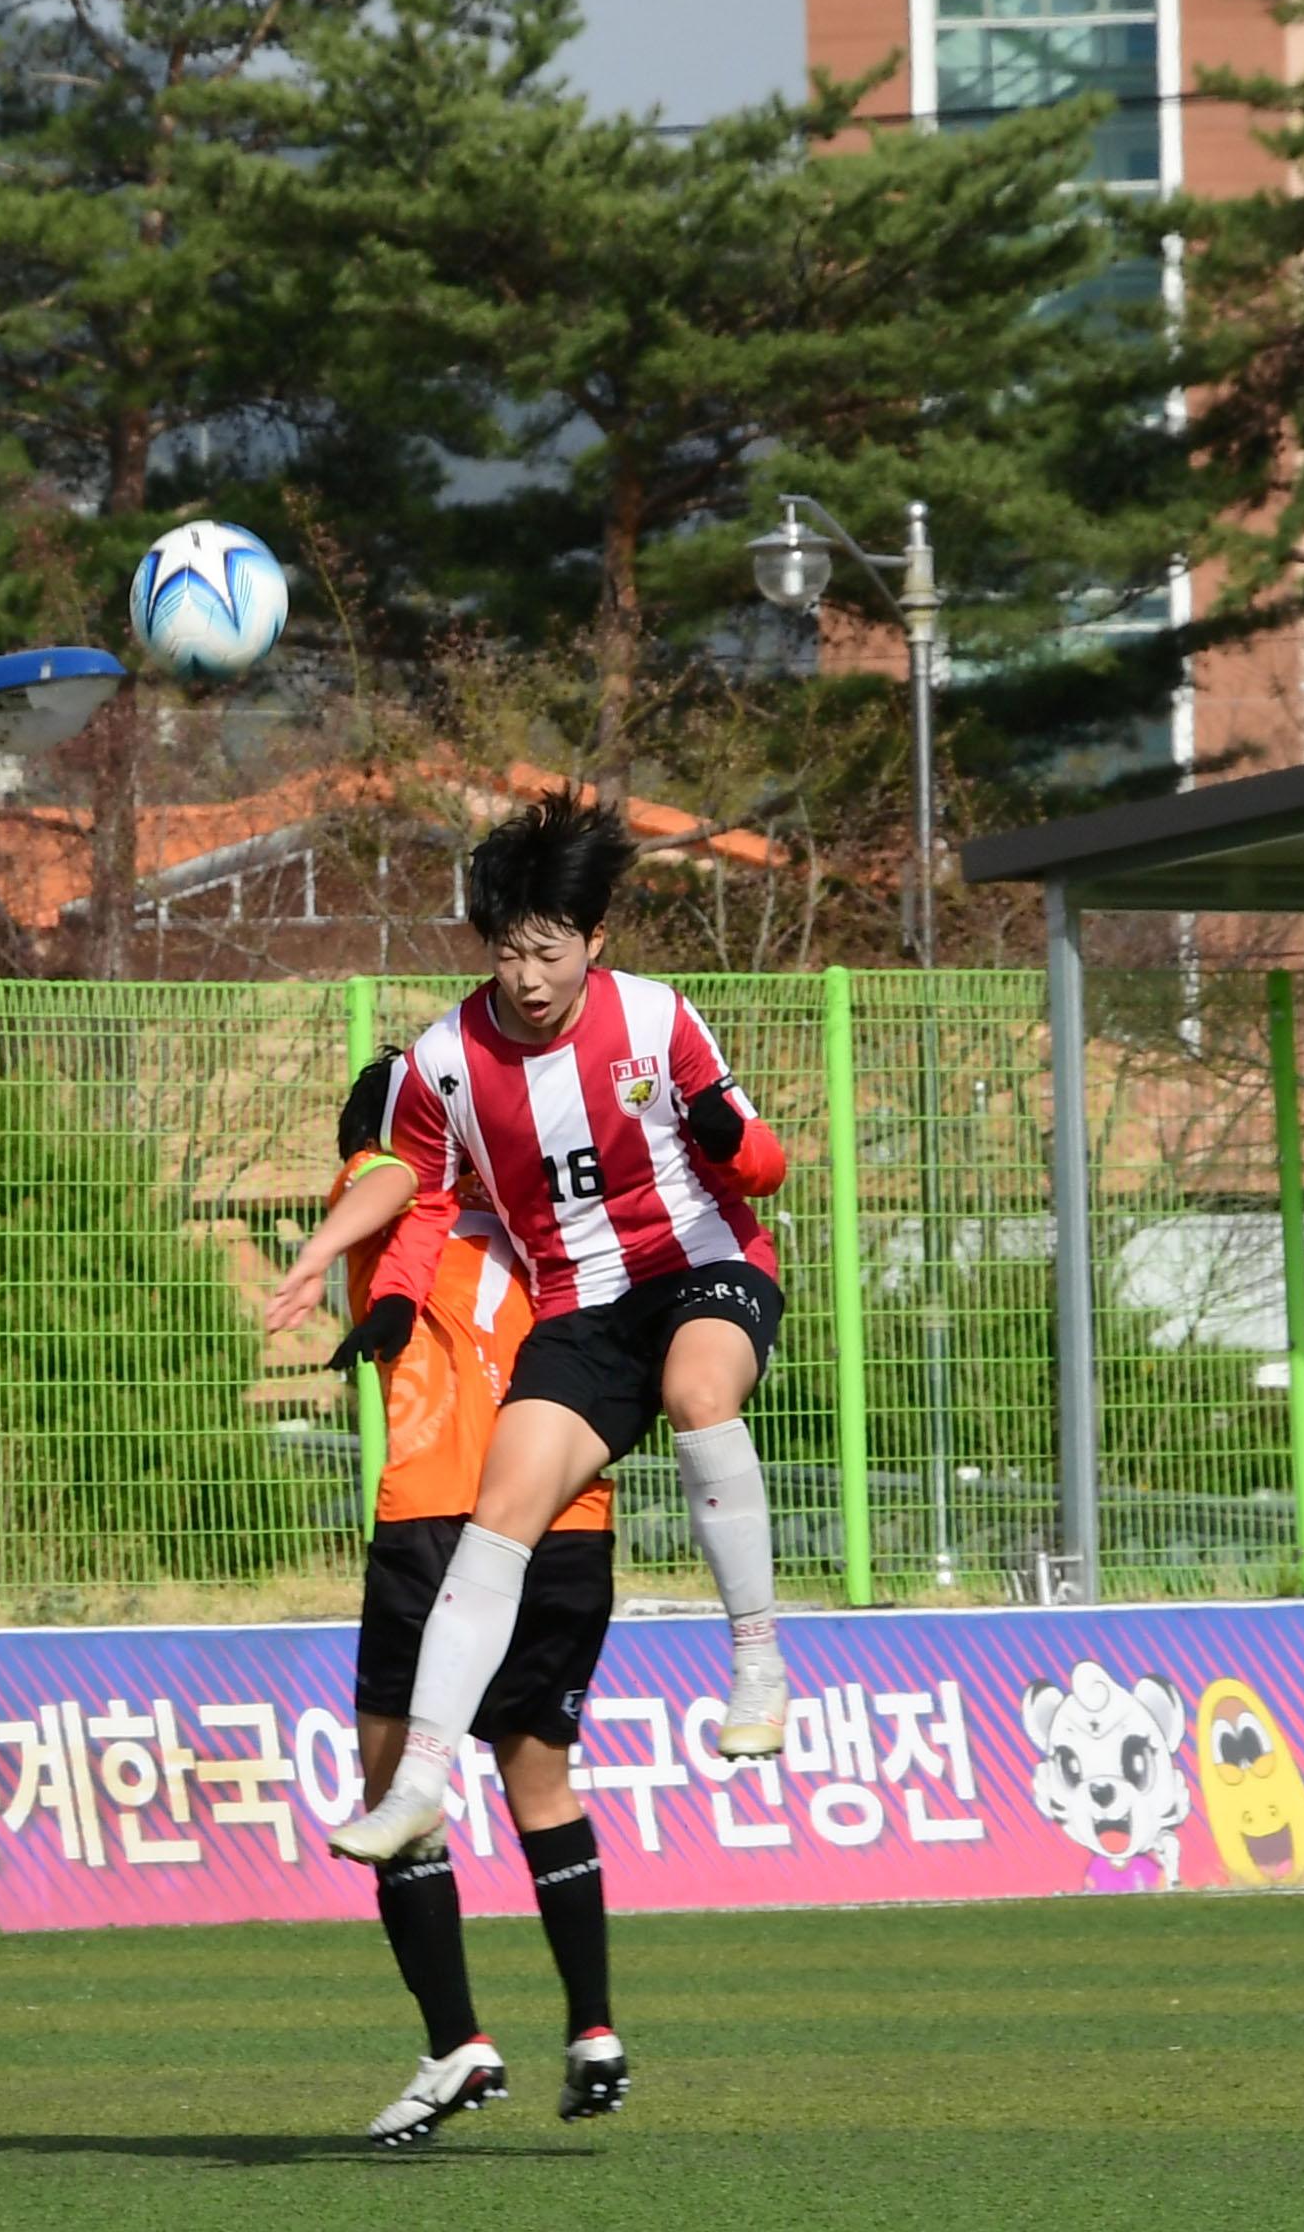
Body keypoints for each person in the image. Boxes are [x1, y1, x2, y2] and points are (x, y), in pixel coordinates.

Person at [265, 794, 791, 1866]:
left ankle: (758, 1663)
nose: (530, 978)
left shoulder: (657, 1019)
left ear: (596, 940)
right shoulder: (445, 1058)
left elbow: (764, 1167)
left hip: (703, 1266)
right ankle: (418, 1781)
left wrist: (731, 1138)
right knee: (499, 1511)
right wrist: (370, 1283)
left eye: (551, 952)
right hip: (582, 1303)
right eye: (510, 954)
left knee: (699, 1394)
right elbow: (414, 1189)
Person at [298, 1056, 628, 2146]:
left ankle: (456, 2041)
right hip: (567, 1519)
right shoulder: (550, 1215)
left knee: (397, 1784)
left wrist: (318, 1248)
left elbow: (391, 1180)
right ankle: (593, 2025)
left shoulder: (395, 1168)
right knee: (543, 1781)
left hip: (443, 1513)